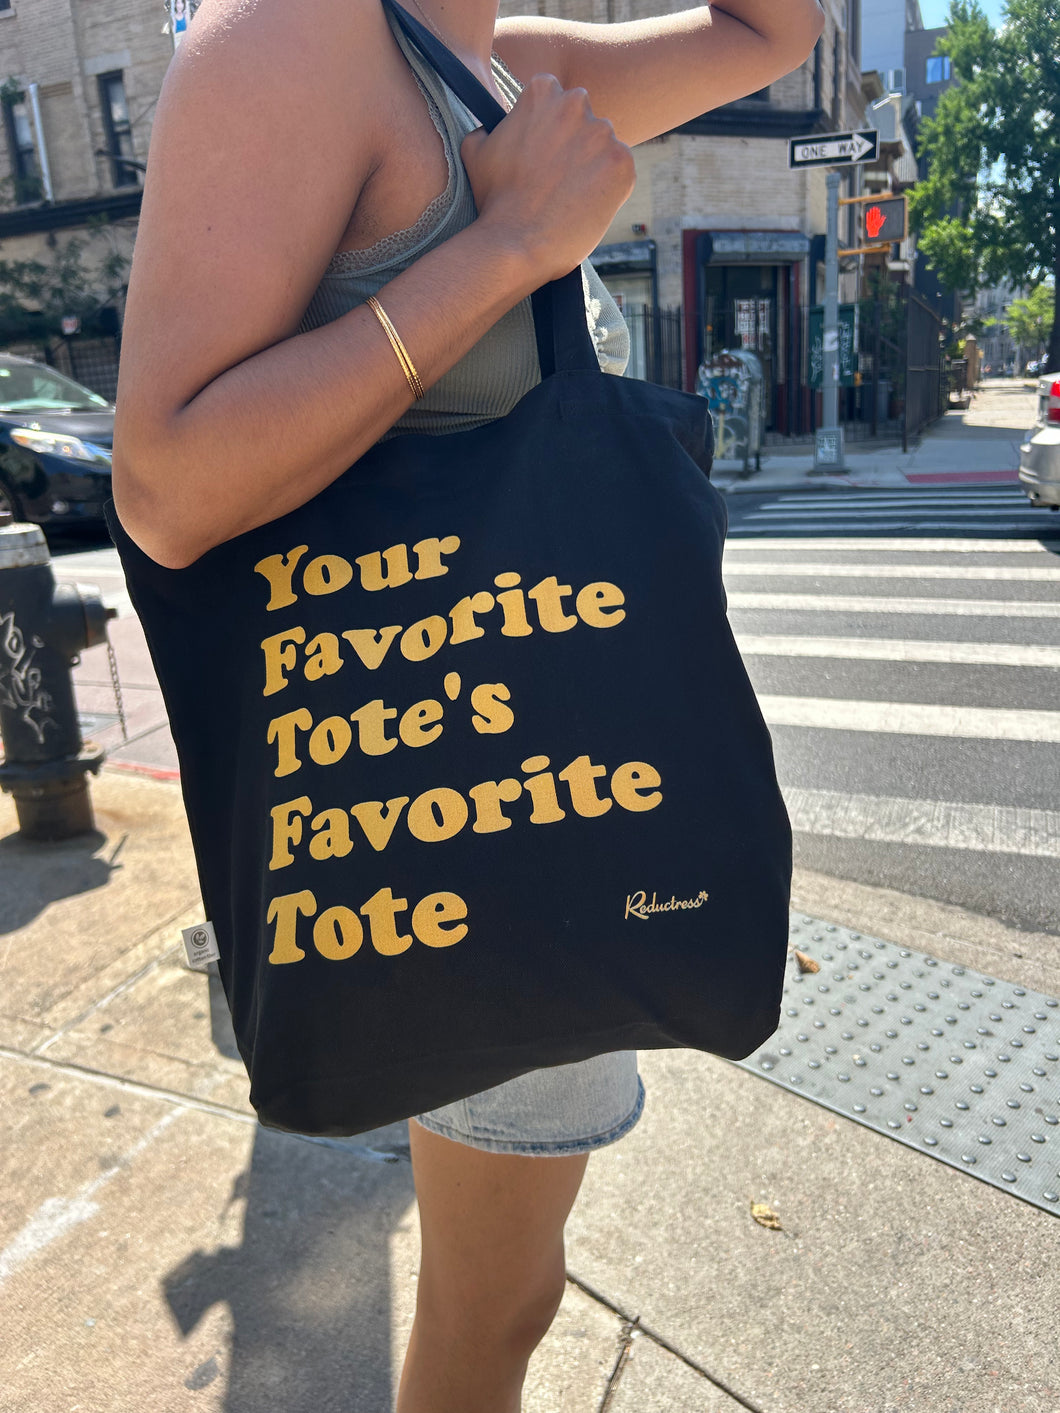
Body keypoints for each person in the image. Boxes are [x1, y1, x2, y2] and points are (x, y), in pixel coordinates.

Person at [112, 0, 823, 1407]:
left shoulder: (508, 60)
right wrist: (507, 250)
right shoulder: (295, 38)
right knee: (492, 1306)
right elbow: (167, 486)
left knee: (503, 1295)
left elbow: (769, 32)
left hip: (539, 798)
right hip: (460, 811)